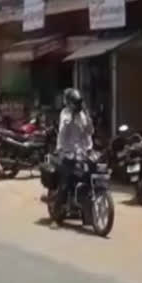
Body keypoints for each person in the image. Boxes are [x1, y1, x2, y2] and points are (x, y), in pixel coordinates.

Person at [53, 88, 94, 220]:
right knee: (65, 183)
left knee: (90, 176)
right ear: (69, 103)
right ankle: (57, 211)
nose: (76, 105)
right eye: (74, 103)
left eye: (78, 102)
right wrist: (60, 150)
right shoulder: (65, 114)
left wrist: (87, 116)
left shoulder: (83, 114)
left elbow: (89, 132)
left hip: (83, 153)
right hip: (68, 153)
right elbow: (62, 133)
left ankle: (85, 206)